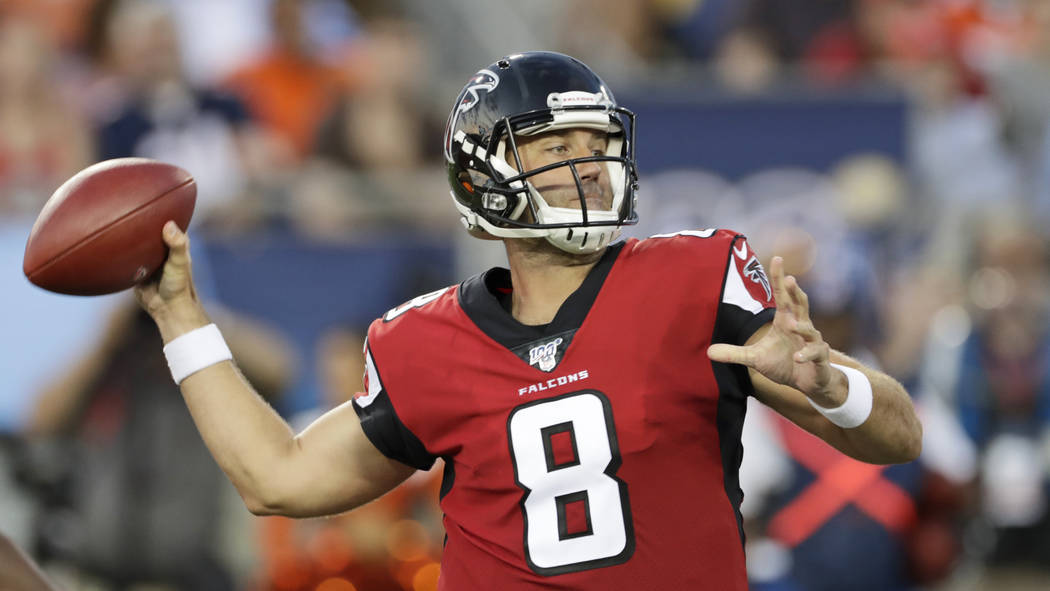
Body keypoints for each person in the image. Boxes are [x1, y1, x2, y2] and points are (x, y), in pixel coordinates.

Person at [133, 51, 922, 589]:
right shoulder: (422, 341)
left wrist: (830, 384)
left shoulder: (693, 277)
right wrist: (179, 314)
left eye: (598, 143)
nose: (589, 164)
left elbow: (897, 436)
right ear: (485, 177)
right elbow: (279, 477)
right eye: (557, 147)